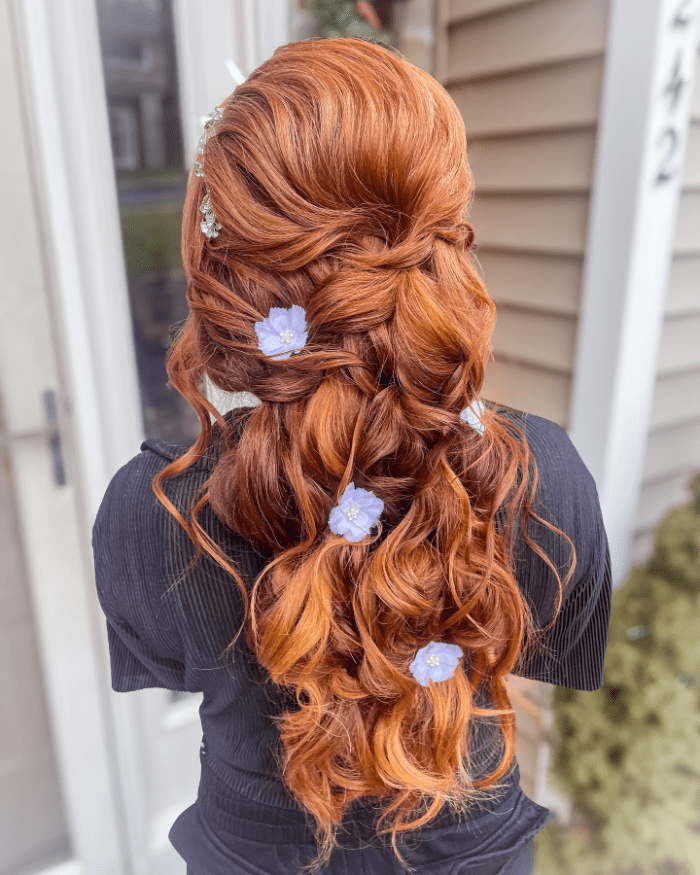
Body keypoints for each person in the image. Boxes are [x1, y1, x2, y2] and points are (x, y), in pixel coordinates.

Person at [92, 36, 612, 875]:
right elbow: (552, 645)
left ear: (222, 262)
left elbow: (174, 661)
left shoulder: (153, 514)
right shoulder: (537, 478)